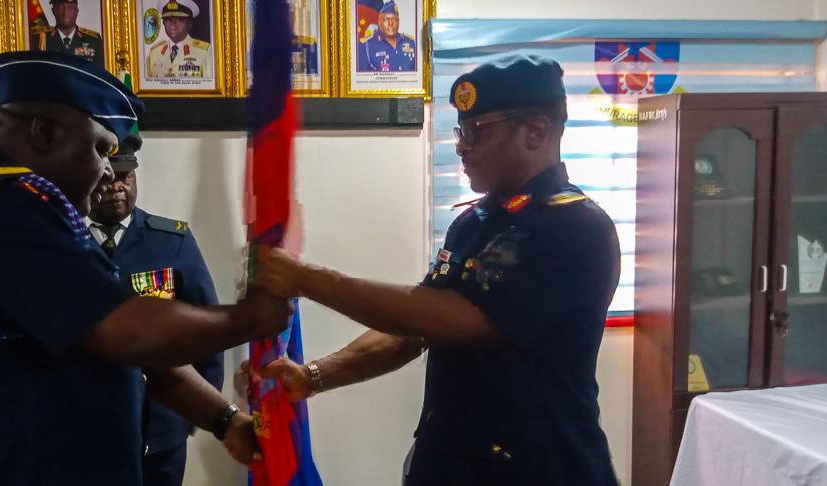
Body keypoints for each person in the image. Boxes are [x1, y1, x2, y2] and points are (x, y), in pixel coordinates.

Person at [0, 50, 289, 485]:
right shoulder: (0, 206)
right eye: (101, 150)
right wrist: (251, 318)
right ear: (44, 132)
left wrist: (223, 419)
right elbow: (126, 332)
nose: (106, 173)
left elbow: (121, 340)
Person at [250, 55, 622, 485]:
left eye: (477, 131)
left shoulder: (574, 228)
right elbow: (413, 331)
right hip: (451, 464)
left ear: (535, 131)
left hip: (539, 470)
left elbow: (455, 320)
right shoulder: (475, 222)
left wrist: (309, 280)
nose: (461, 145)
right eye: (461, 131)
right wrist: (312, 376)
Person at [86, 133, 225, 486]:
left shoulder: (171, 241)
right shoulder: (62, 242)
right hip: (83, 430)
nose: (117, 187)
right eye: (106, 178)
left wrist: (194, 413)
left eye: (125, 177)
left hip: (159, 429)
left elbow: (206, 331)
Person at [145, 0, 212, 79]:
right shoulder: (154, 53)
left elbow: (209, 85)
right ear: (163, 23)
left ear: (190, 24)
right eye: (168, 19)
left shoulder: (204, 52)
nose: (173, 25)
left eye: (180, 19)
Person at [30, 0, 104, 66]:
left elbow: (100, 73)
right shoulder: (39, 40)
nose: (65, 12)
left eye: (70, 8)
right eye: (61, 7)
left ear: (77, 11)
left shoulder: (93, 40)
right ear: (53, 10)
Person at [357, 1, 416, 72]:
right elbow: (360, 77)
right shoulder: (366, 46)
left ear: (398, 21)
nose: (391, 23)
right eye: (386, 19)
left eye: (394, 19)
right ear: (379, 22)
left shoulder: (411, 43)